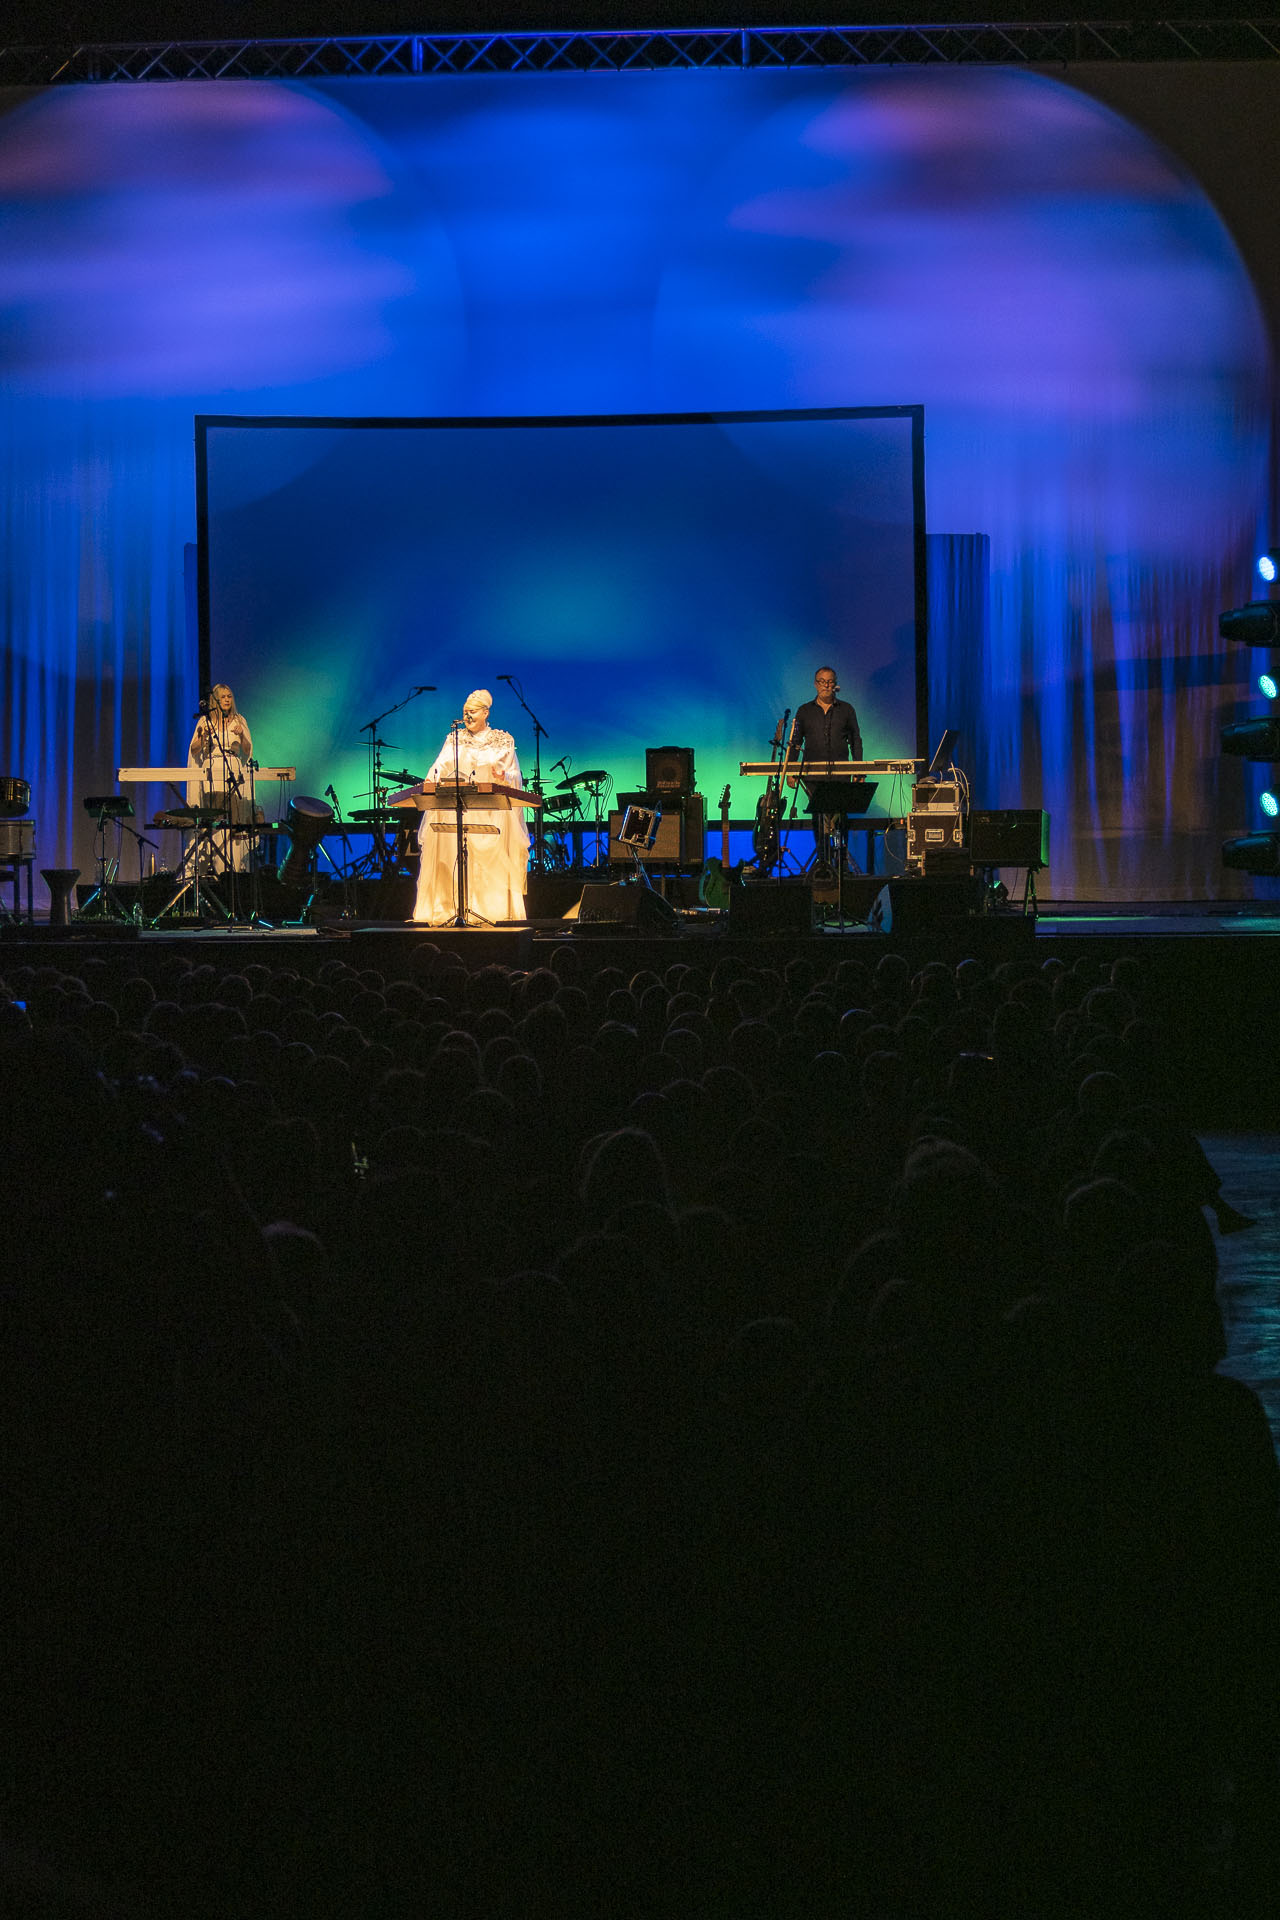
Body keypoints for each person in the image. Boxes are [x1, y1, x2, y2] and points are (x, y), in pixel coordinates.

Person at [412, 689, 530, 925]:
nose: (467, 716)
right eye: (465, 712)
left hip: (489, 812)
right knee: (456, 854)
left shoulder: (503, 740)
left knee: (488, 864)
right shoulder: (455, 739)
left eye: (473, 712)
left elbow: (515, 776)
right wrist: (431, 780)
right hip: (459, 808)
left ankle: (489, 911)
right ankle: (452, 909)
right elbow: (440, 766)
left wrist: (502, 775)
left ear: (486, 712)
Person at [187, 683, 255, 873]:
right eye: (223, 697)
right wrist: (204, 737)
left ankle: (231, 866)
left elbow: (248, 751)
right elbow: (193, 749)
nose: (227, 700)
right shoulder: (205, 722)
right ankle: (214, 863)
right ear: (215, 700)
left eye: (229, 696)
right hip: (212, 770)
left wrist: (242, 736)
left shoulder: (239, 720)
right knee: (216, 817)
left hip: (231, 768)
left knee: (232, 817)